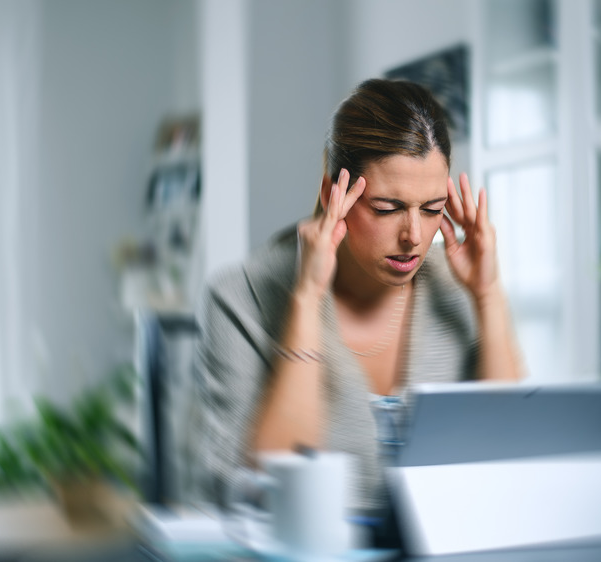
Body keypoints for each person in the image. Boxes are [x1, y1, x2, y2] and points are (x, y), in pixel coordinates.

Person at [192, 78, 523, 516]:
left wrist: (488, 296)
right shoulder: (241, 297)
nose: (415, 237)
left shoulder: (457, 283)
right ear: (335, 196)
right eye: (387, 208)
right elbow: (265, 495)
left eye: (432, 208)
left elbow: (512, 459)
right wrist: (307, 300)